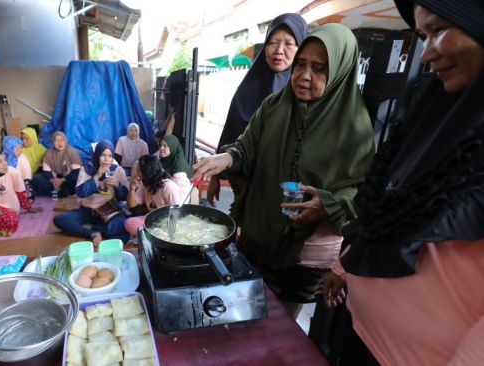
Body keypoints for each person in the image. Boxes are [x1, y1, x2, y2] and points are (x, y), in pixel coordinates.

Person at [322, 1, 484, 364]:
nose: (426, 54)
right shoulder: (434, 118)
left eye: (440, 30)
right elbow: (385, 210)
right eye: (423, 36)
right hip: (357, 335)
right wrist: (344, 265)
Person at [192, 23, 375, 319]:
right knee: (244, 312)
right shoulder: (274, 106)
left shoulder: (354, 128)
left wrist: (327, 204)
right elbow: (246, 146)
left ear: (340, 71)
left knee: (281, 325)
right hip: (258, 237)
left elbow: (362, 192)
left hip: (307, 253)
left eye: (319, 69)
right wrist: (224, 160)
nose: (304, 76)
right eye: (300, 65)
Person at [207, 14, 308, 206]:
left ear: (301, 48)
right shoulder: (247, 89)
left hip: (285, 194)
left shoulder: (305, 92)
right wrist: (215, 178)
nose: (279, 50)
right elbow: (229, 132)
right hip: (244, 186)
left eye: (289, 43)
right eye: (273, 42)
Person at [53, 140, 129, 245]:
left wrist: (117, 185)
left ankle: (95, 229)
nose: (106, 159)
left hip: (108, 210)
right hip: (87, 210)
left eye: (110, 156)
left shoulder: (117, 170)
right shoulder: (87, 169)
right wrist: (96, 176)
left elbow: (125, 196)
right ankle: (92, 233)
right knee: (60, 220)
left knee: (123, 226)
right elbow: (80, 192)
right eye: (103, 155)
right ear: (97, 155)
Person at [0, 151, 42, 236]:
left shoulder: (13, 172)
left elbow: (20, 192)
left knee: (10, 219)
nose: (5, 163)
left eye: (5, 160)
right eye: (0, 161)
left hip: (9, 210)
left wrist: (28, 208)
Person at [124, 155, 185, 237]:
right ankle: (150, 237)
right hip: (152, 222)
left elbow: (178, 214)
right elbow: (131, 205)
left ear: (147, 172)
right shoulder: (145, 183)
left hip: (167, 224)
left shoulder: (168, 187)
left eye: (139, 171)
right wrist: (132, 189)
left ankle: (150, 237)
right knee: (129, 223)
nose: (137, 174)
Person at [32, 131, 82, 198]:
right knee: (36, 178)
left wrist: (62, 180)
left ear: (65, 141)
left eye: (62, 140)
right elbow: (46, 172)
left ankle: (58, 192)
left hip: (67, 179)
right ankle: (61, 192)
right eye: (57, 141)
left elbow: (76, 172)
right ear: (53, 142)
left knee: (78, 179)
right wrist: (53, 181)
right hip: (54, 180)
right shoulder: (49, 153)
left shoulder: (71, 151)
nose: (60, 143)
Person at [2, 135, 34, 201]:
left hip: (22, 183)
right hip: (9, 184)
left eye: (21, 148)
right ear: (9, 148)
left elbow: (27, 177)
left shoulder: (22, 158)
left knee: (26, 196)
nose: (20, 150)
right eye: (18, 148)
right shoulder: (2, 158)